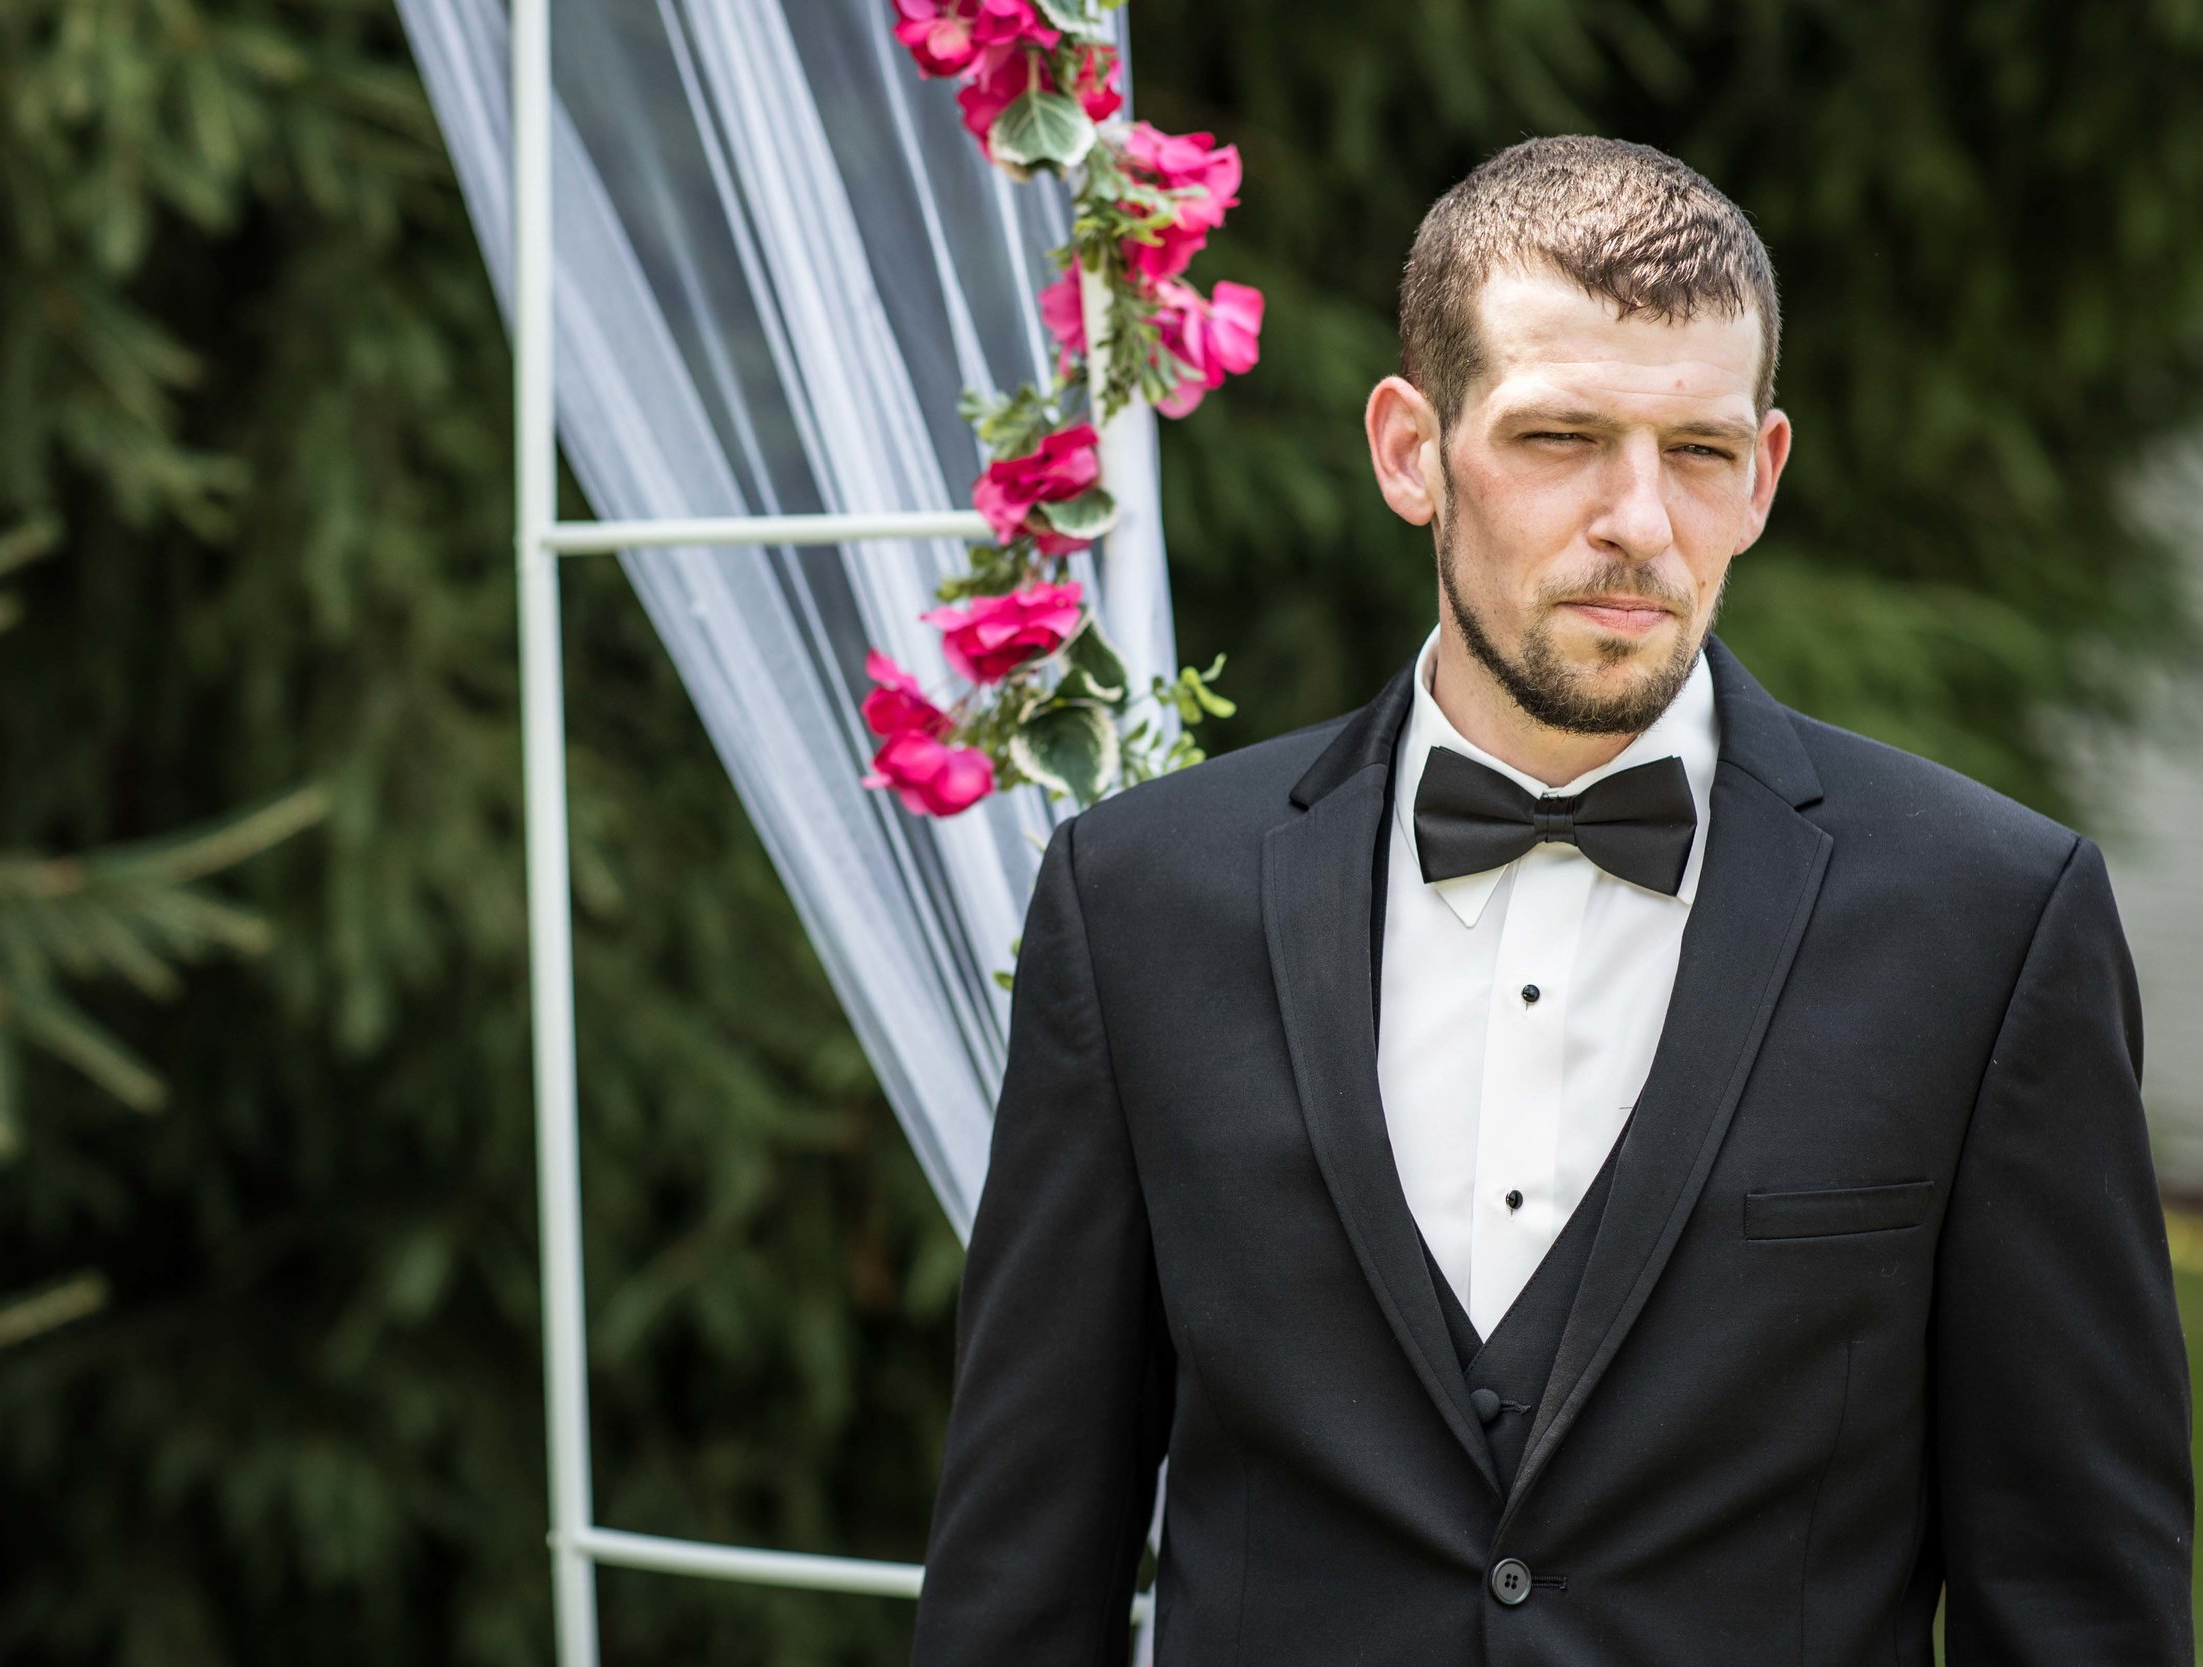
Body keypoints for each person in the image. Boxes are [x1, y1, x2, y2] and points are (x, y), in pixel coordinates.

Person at [908, 135, 2193, 1666]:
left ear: (1765, 475)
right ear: (1410, 450)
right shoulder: (1140, 903)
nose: (1638, 521)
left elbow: (2076, 1604)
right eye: (1562, 436)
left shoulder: (1992, 920)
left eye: (1699, 452)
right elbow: (1020, 1575)